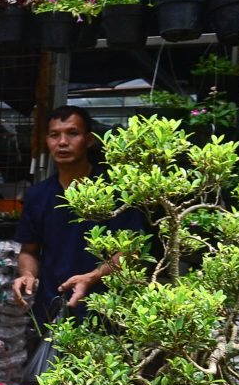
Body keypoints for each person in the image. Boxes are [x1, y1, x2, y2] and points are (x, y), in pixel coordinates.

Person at [12, 105, 144, 323]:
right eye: (55, 135)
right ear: (47, 141)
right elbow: (29, 250)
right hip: (52, 307)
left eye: (72, 133)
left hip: (106, 310)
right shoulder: (37, 195)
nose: (62, 142)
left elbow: (131, 252)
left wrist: (93, 277)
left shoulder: (116, 192)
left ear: (89, 140)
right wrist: (27, 275)